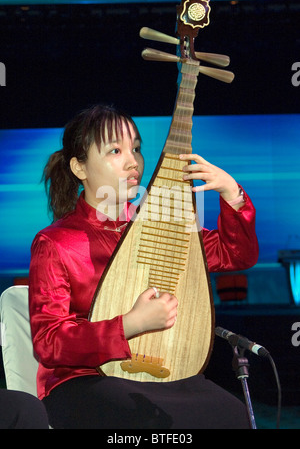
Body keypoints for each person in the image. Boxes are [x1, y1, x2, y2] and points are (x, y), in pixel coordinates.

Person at [29, 104, 258, 429]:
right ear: (80, 167)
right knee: (154, 421)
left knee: (231, 415)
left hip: (163, 374)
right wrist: (129, 325)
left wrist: (232, 194)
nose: (133, 161)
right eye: (115, 150)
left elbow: (236, 255)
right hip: (81, 380)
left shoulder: (162, 225)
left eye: (135, 148)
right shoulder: (56, 242)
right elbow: (49, 343)